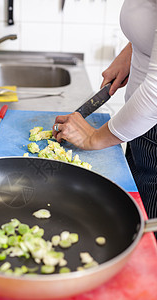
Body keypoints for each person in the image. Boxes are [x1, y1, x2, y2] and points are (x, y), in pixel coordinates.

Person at [52, 0, 157, 229]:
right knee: (134, 215)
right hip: (139, 127)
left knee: (147, 236)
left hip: (152, 127)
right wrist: (133, 50)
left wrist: (93, 138)